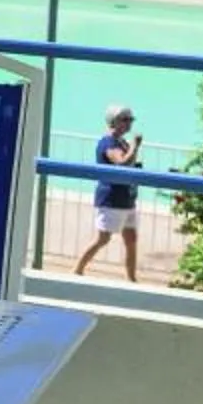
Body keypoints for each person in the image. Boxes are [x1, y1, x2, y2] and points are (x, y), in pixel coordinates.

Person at [74, 104, 142, 280]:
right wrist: (135, 146)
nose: (129, 123)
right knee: (103, 238)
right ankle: (78, 268)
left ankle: (131, 279)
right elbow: (121, 163)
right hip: (112, 199)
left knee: (131, 239)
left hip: (127, 198)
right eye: (125, 119)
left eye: (130, 120)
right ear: (114, 121)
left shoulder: (122, 142)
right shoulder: (108, 142)